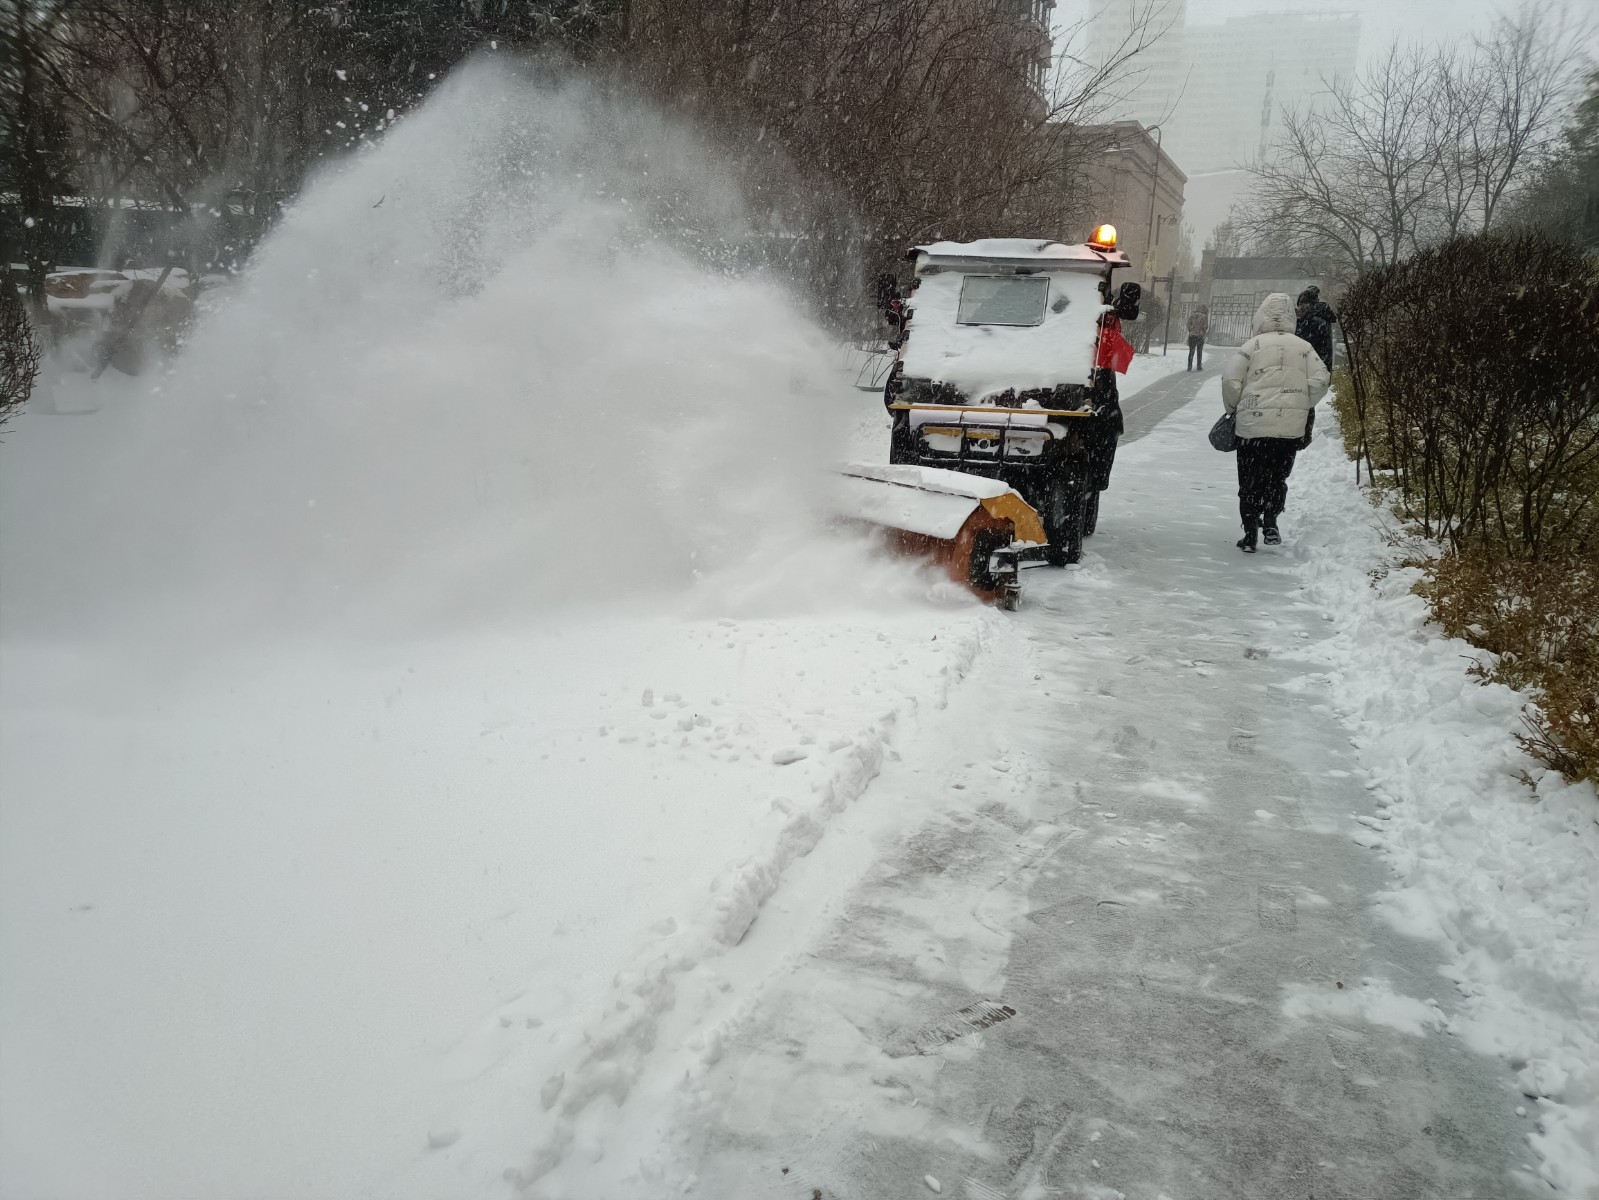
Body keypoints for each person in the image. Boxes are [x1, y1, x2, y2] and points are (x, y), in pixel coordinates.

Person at [1221, 293, 1330, 552]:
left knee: (1248, 480)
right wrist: (1301, 403)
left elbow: (1230, 381)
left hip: (1252, 428)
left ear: (1260, 316)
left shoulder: (1252, 346)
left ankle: (1249, 533)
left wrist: (1234, 407)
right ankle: (1270, 521)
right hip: (1288, 429)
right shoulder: (1304, 348)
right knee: (1276, 477)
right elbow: (1321, 380)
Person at [1294, 286, 1337, 373]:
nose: (1300, 308)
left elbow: (1301, 341)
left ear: (1307, 303)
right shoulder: (1321, 316)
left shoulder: (1312, 320)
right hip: (1323, 363)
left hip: (1313, 365)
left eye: (1300, 304)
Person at [1185, 305, 1209, 371]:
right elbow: (1205, 326)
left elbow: (1188, 324)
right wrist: (1203, 331)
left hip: (1192, 335)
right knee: (1199, 351)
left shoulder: (1192, 316)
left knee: (1191, 351)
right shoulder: (1204, 317)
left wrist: (1191, 330)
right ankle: (1199, 365)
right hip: (1200, 336)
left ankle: (1189, 366)